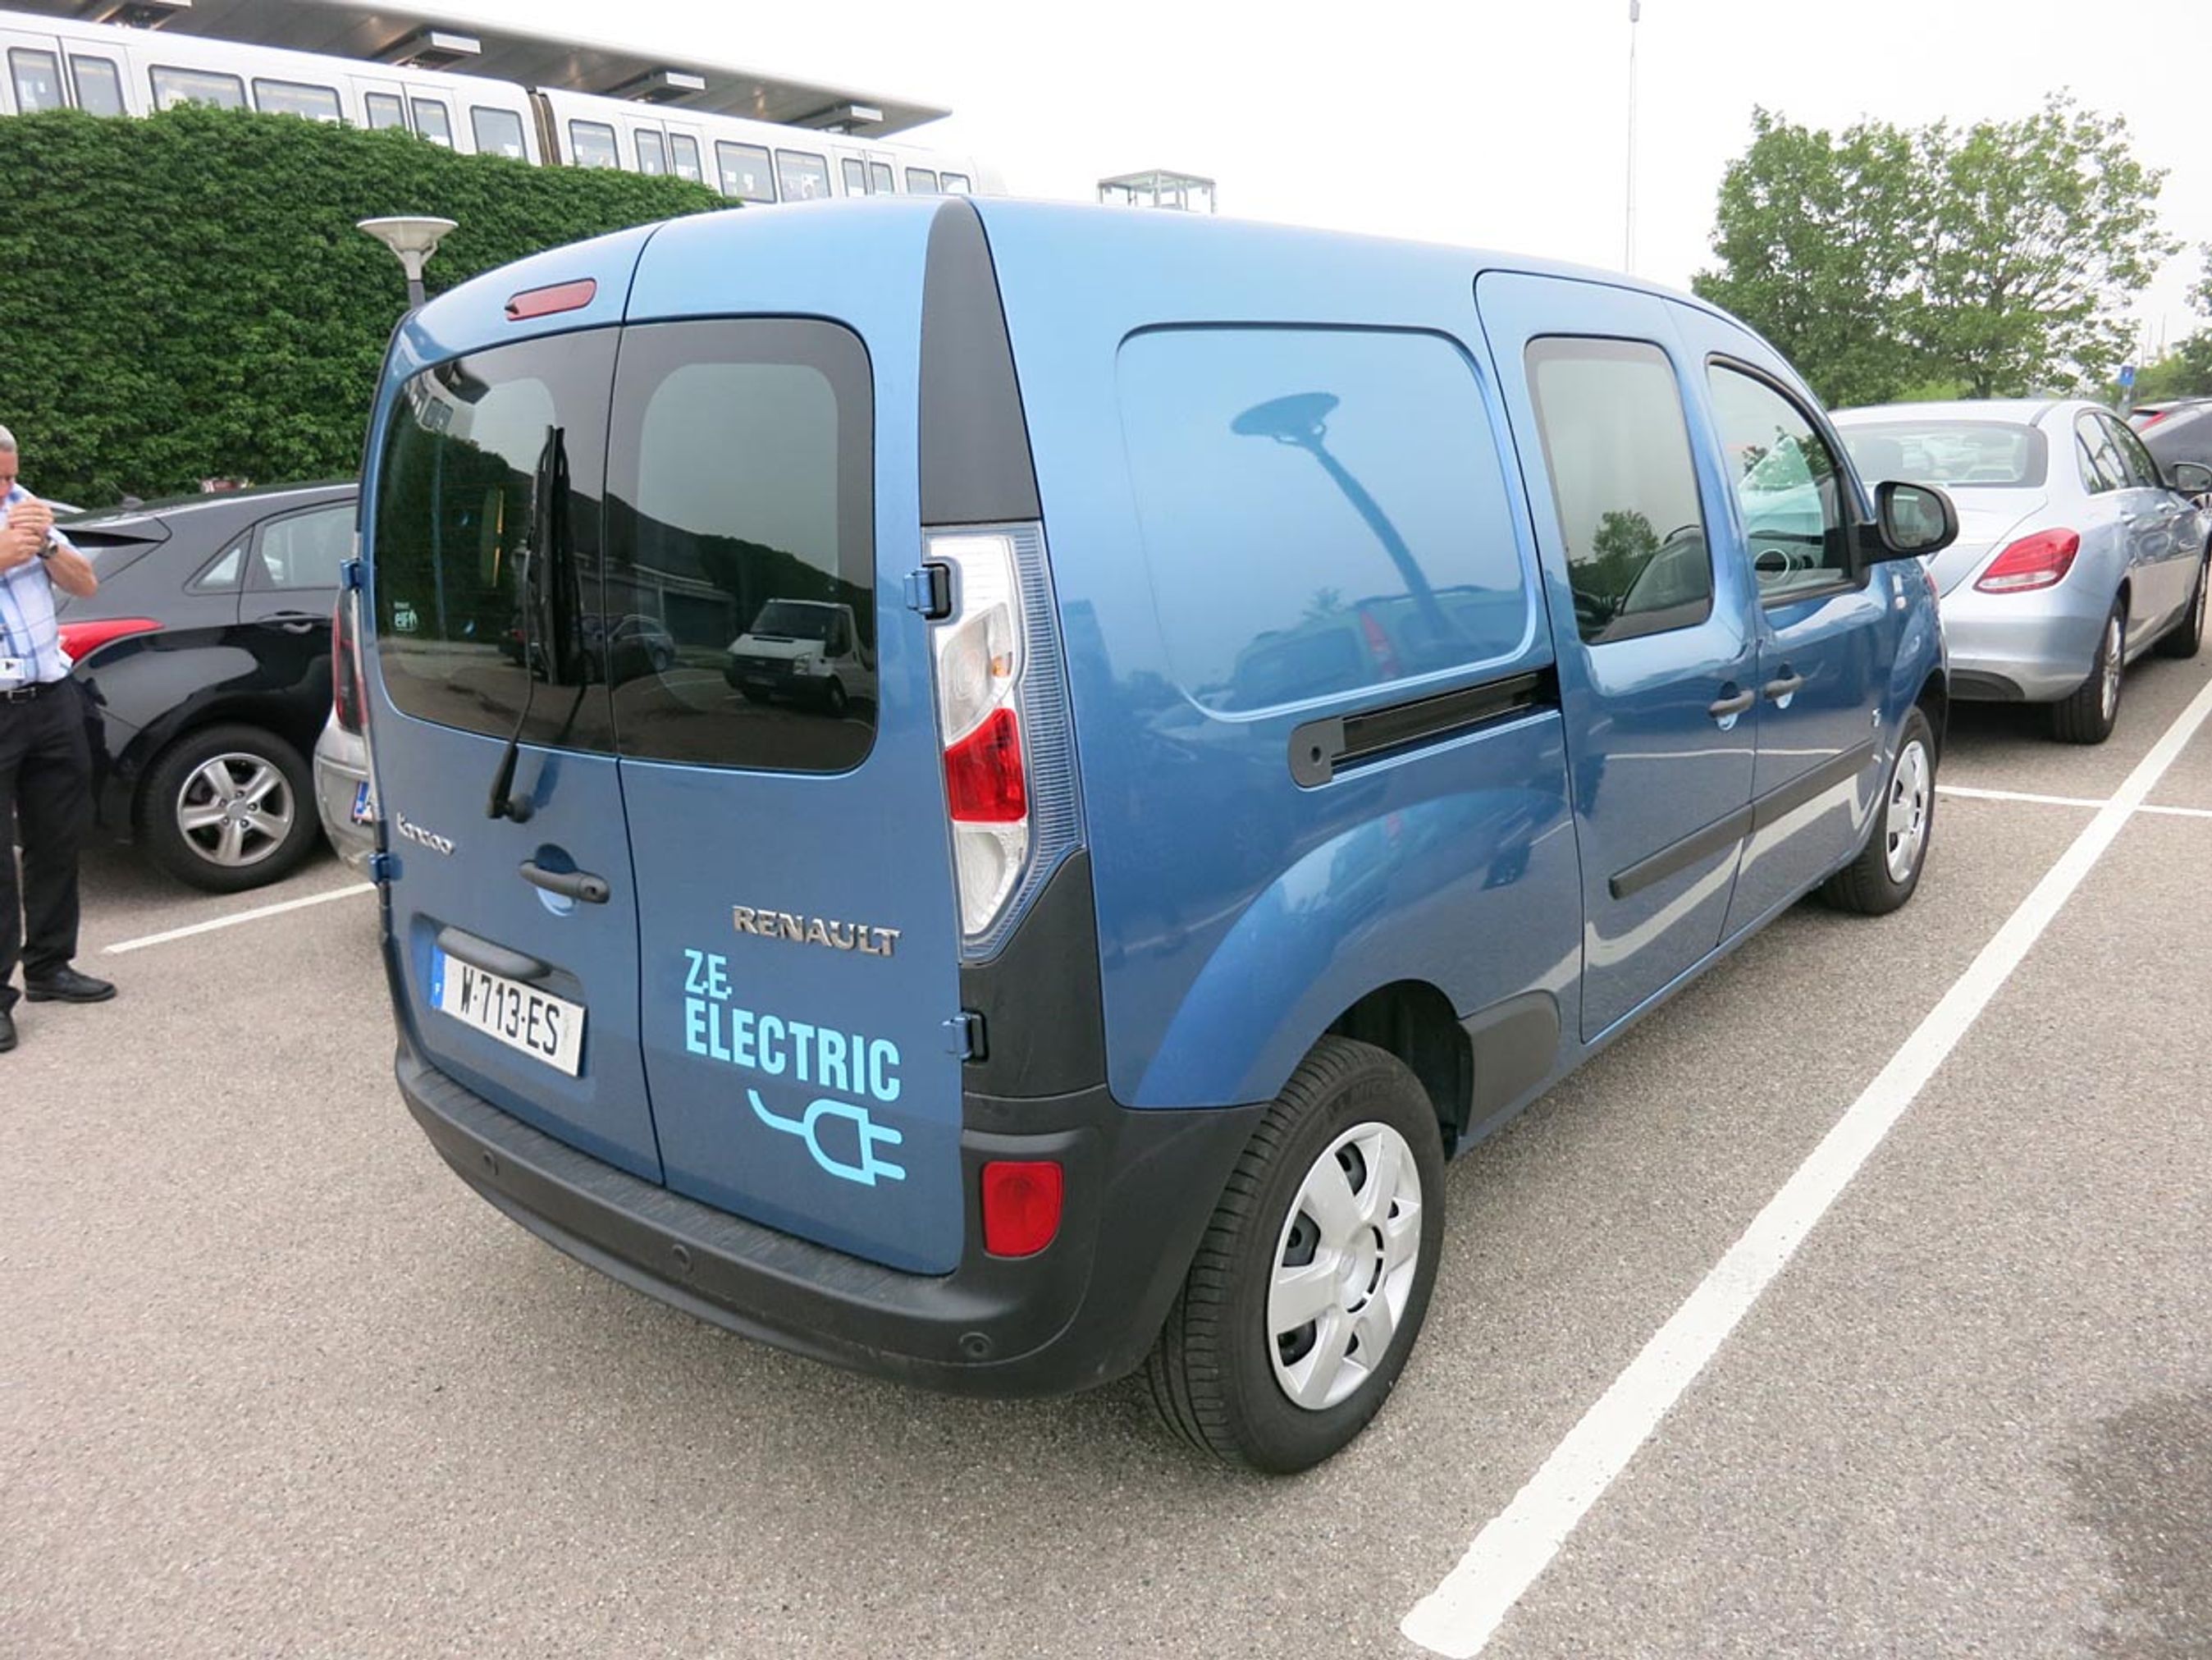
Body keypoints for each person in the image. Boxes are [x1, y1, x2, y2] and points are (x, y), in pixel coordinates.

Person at [0, 425, 116, 1053]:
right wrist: (8, 551)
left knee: (56, 837)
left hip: (49, 696)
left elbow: (84, 583)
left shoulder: (25, 510)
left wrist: (44, 543)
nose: (11, 487)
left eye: (13, 473)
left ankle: (49, 965)